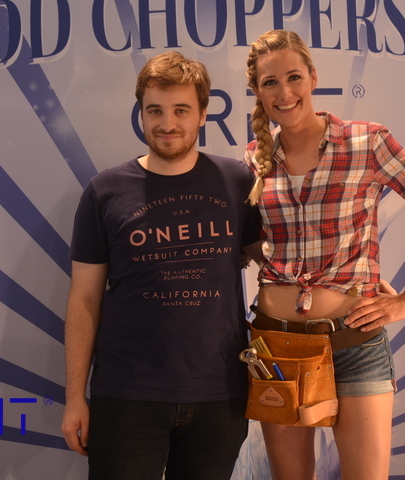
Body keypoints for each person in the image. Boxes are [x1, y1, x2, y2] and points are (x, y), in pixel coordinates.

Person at [243, 30, 405, 480]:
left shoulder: (366, 141)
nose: (284, 92)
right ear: (257, 90)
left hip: (354, 342)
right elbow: (258, 241)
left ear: (313, 77)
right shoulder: (255, 158)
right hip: (277, 344)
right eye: (270, 82)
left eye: (294, 77)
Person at [61, 51, 262, 480]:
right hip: (127, 395)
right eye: (155, 110)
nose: (167, 123)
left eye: (181, 110)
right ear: (141, 113)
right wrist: (75, 396)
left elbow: (279, 263)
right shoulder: (105, 192)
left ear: (203, 114)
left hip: (220, 394)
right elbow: (84, 299)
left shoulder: (238, 182)